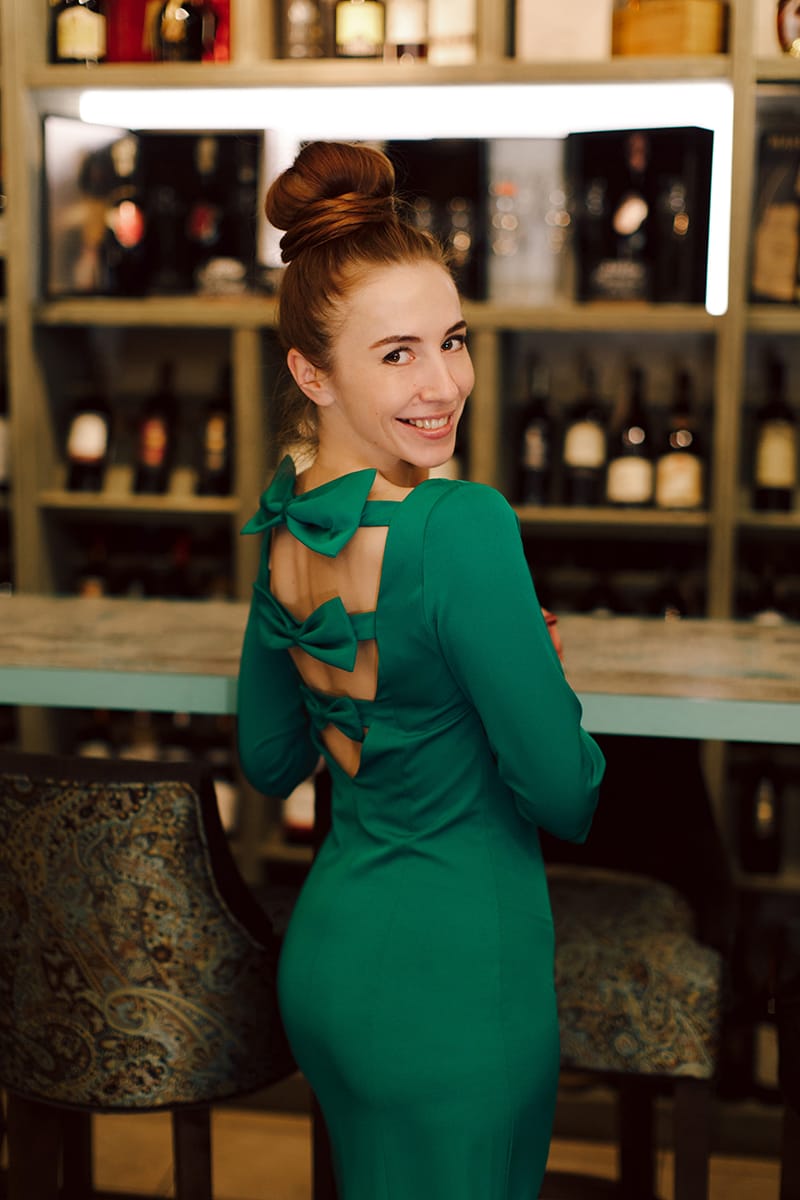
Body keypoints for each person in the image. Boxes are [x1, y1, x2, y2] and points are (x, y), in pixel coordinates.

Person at [237, 140, 605, 1200]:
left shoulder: (286, 516)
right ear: (311, 373)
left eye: (452, 340)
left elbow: (268, 759)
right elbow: (567, 795)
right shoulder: (460, 524)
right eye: (396, 353)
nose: (443, 384)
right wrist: (533, 669)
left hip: (331, 969)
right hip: (455, 986)